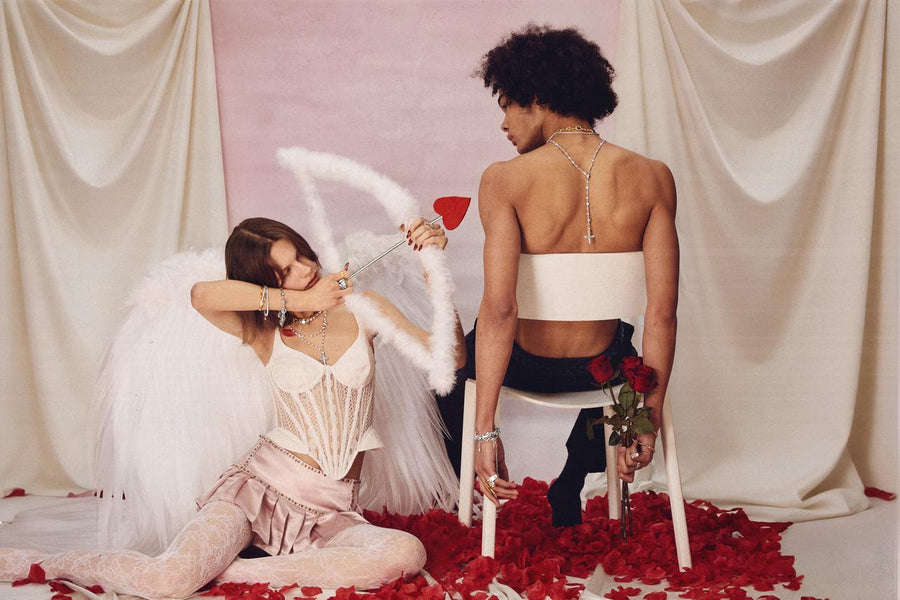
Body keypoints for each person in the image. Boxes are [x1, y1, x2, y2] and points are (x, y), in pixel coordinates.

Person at [0, 216, 465, 598]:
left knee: (404, 553)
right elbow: (202, 295)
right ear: (265, 283)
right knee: (167, 580)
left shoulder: (363, 308)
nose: (304, 269)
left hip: (332, 511)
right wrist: (299, 299)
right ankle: (42, 562)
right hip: (256, 490)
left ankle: (228, 574)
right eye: (285, 270)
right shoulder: (262, 328)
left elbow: (449, 357)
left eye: (301, 255)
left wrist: (433, 271)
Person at [437, 24, 679, 527]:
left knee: (448, 365)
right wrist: (647, 416)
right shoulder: (653, 176)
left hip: (526, 366)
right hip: (605, 371)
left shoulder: (504, 179)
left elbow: (501, 309)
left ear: (539, 96)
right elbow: (662, 314)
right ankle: (572, 480)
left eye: (506, 104)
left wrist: (486, 431)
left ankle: (467, 493)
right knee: (623, 343)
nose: (503, 122)